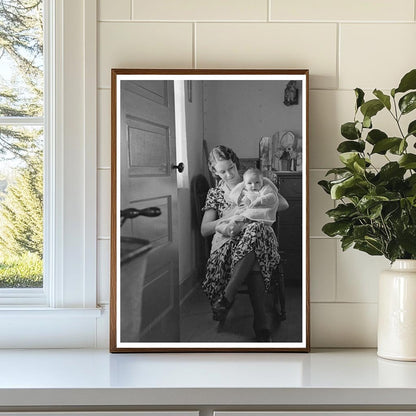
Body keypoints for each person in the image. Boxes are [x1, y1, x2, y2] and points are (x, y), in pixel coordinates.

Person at [201, 145, 280, 342]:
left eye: (231, 168)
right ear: (214, 171)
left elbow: (282, 204)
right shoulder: (215, 194)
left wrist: (259, 207)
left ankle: (227, 297)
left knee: (256, 231)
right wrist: (230, 217)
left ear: (236, 165)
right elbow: (205, 229)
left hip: (257, 236)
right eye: (222, 171)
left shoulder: (255, 181)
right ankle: (261, 322)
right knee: (255, 249)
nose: (228, 174)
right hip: (228, 241)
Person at [210, 168, 280, 253]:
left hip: (258, 215)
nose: (254, 186)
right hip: (246, 215)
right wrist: (240, 207)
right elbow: (242, 204)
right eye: (249, 183)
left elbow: (272, 197)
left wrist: (260, 200)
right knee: (236, 219)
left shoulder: (264, 189)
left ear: (262, 181)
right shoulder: (244, 191)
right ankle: (226, 228)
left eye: (257, 182)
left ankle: (230, 229)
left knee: (246, 224)